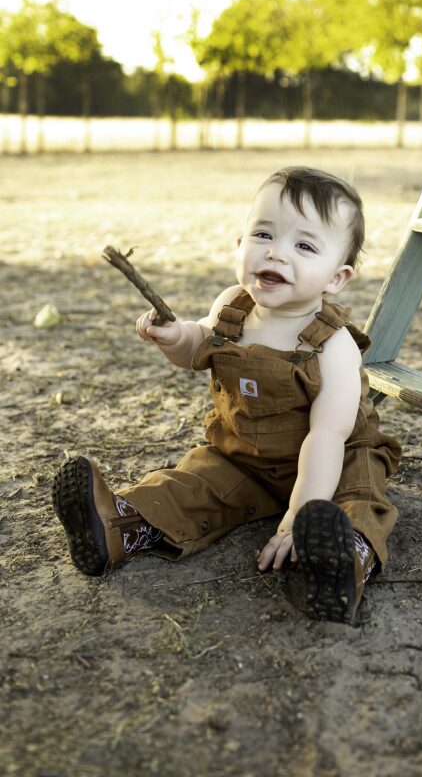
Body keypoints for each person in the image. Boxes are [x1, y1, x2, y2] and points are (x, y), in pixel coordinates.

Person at [52, 166, 401, 624]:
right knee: (192, 483)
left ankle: (339, 562)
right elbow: (200, 345)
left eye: (304, 245)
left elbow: (328, 436)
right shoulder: (231, 308)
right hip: (242, 458)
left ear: (337, 278)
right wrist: (176, 337)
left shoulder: (331, 345)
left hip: (335, 459)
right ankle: (121, 524)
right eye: (263, 234)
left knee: (358, 499)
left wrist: (300, 512)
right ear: (240, 246)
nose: (276, 252)